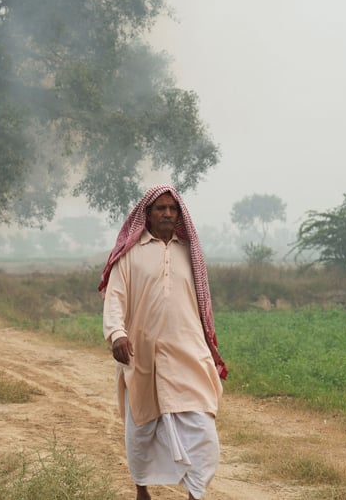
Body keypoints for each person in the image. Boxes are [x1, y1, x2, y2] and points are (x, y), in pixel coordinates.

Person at [100, 184, 227, 500]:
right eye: (161, 208)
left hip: (189, 351)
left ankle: (195, 493)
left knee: (202, 427)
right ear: (148, 213)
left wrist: (210, 349)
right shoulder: (130, 255)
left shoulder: (189, 253)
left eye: (173, 208)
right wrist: (117, 333)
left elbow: (202, 304)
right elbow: (115, 298)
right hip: (142, 353)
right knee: (142, 427)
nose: (168, 213)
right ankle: (142, 489)